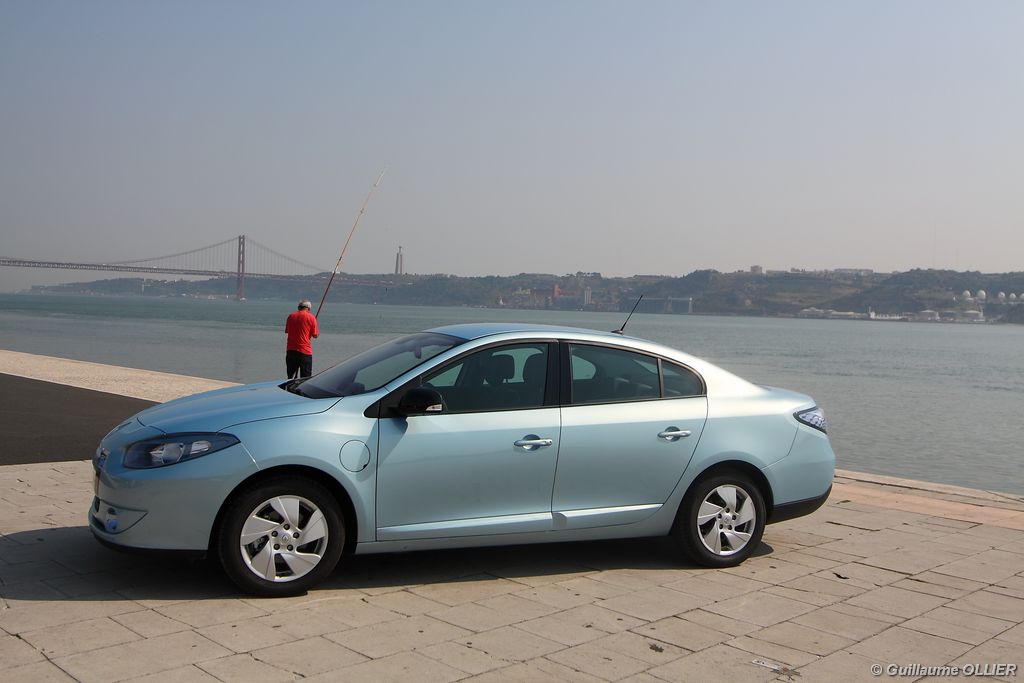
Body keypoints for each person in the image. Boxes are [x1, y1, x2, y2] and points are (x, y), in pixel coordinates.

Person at [285, 300, 319, 378]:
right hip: (304, 352)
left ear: (299, 307)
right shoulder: (311, 317)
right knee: (305, 379)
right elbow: (315, 335)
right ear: (308, 308)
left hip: (290, 351)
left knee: (290, 379)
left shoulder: (291, 316)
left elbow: (287, 331)